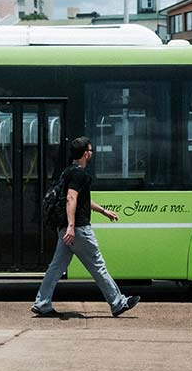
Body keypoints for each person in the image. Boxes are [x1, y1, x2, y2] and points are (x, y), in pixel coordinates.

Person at [31, 136, 140, 318]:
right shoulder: (79, 174)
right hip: (78, 230)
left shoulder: (68, 172)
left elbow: (82, 200)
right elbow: (71, 198)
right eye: (90, 150)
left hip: (67, 229)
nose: (92, 153)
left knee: (56, 267)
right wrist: (72, 227)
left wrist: (104, 211)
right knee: (98, 265)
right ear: (84, 153)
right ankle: (118, 303)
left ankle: (42, 303)